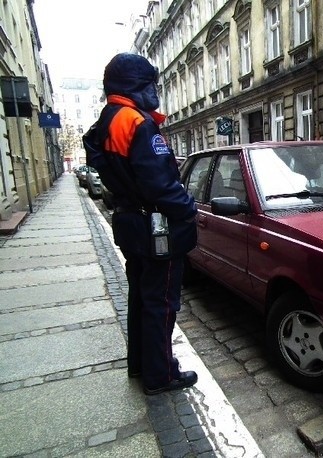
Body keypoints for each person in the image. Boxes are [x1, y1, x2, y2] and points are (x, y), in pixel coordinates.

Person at [89, 53, 198, 395]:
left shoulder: (108, 119)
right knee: (161, 303)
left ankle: (140, 364)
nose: (156, 91)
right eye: (152, 84)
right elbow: (159, 184)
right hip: (155, 227)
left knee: (141, 297)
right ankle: (161, 374)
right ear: (137, 86)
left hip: (130, 223)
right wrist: (187, 210)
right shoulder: (137, 121)